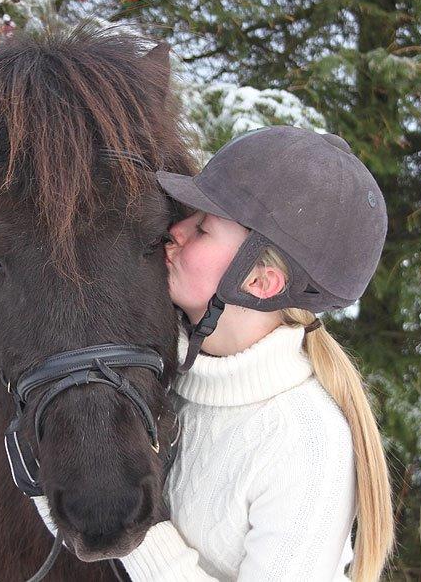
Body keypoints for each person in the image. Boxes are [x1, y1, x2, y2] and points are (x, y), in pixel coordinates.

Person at [36, 125, 395, 581]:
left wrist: (139, 537)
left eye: (203, 228)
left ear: (259, 281)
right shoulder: (163, 375)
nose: (176, 231)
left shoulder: (303, 441)